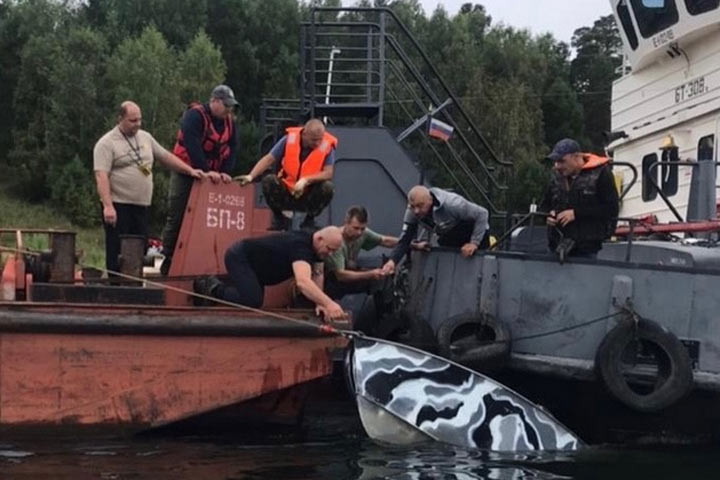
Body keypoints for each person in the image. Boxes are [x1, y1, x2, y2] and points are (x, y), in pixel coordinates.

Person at [93, 101, 204, 276]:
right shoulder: (106, 143)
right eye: (132, 120)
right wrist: (108, 205)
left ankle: (135, 281)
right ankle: (116, 283)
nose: (137, 124)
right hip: (118, 204)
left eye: (139, 120)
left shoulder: (145, 137)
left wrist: (190, 170)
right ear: (120, 119)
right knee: (117, 248)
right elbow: (101, 175)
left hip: (141, 204)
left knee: (140, 246)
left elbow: (166, 156)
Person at [160, 85, 239, 274]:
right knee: (177, 214)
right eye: (226, 105)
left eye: (231, 106)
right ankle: (169, 257)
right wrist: (203, 170)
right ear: (214, 101)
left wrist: (226, 172)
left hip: (213, 178)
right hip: (186, 171)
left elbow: (233, 148)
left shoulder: (230, 123)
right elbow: (192, 144)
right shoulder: (194, 116)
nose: (229, 110)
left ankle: (205, 259)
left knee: (208, 220)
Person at [193, 226, 347, 321]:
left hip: (258, 270)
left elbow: (317, 273)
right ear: (320, 239)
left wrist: (319, 303)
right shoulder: (301, 247)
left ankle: (231, 286)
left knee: (253, 295)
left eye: (334, 251)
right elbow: (303, 281)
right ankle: (211, 287)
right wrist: (330, 304)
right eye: (329, 249)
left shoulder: (317, 247)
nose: (330, 254)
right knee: (252, 301)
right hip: (240, 257)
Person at [235, 118, 336, 231]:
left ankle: (309, 220)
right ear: (305, 134)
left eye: (319, 139)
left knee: (328, 188)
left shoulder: (327, 146)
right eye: (313, 140)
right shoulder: (288, 140)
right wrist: (251, 176)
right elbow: (269, 159)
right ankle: (279, 219)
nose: (317, 143)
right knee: (269, 181)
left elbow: (328, 173)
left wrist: (306, 180)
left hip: (308, 193)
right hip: (287, 191)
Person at [381, 186, 490, 274]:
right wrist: (392, 261)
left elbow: (482, 214)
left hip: (473, 231)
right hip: (448, 235)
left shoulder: (453, 204)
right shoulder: (412, 212)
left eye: (420, 205)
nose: (416, 211)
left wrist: (474, 243)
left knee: (476, 267)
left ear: (430, 200)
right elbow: (404, 239)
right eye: (412, 206)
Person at [540, 138, 619, 258]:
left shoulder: (601, 174)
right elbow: (545, 204)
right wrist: (547, 215)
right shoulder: (555, 177)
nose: (557, 166)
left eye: (562, 161)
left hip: (589, 247)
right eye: (555, 161)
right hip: (556, 245)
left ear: (576, 157)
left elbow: (611, 209)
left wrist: (576, 213)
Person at [324, 206, 398, 300]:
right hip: (332, 280)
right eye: (356, 228)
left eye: (362, 229)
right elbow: (340, 275)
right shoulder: (337, 241)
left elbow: (385, 241)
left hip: (349, 272)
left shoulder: (362, 234)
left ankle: (385, 311)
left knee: (382, 279)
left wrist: (410, 244)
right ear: (346, 222)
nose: (359, 232)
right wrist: (370, 274)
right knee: (374, 279)